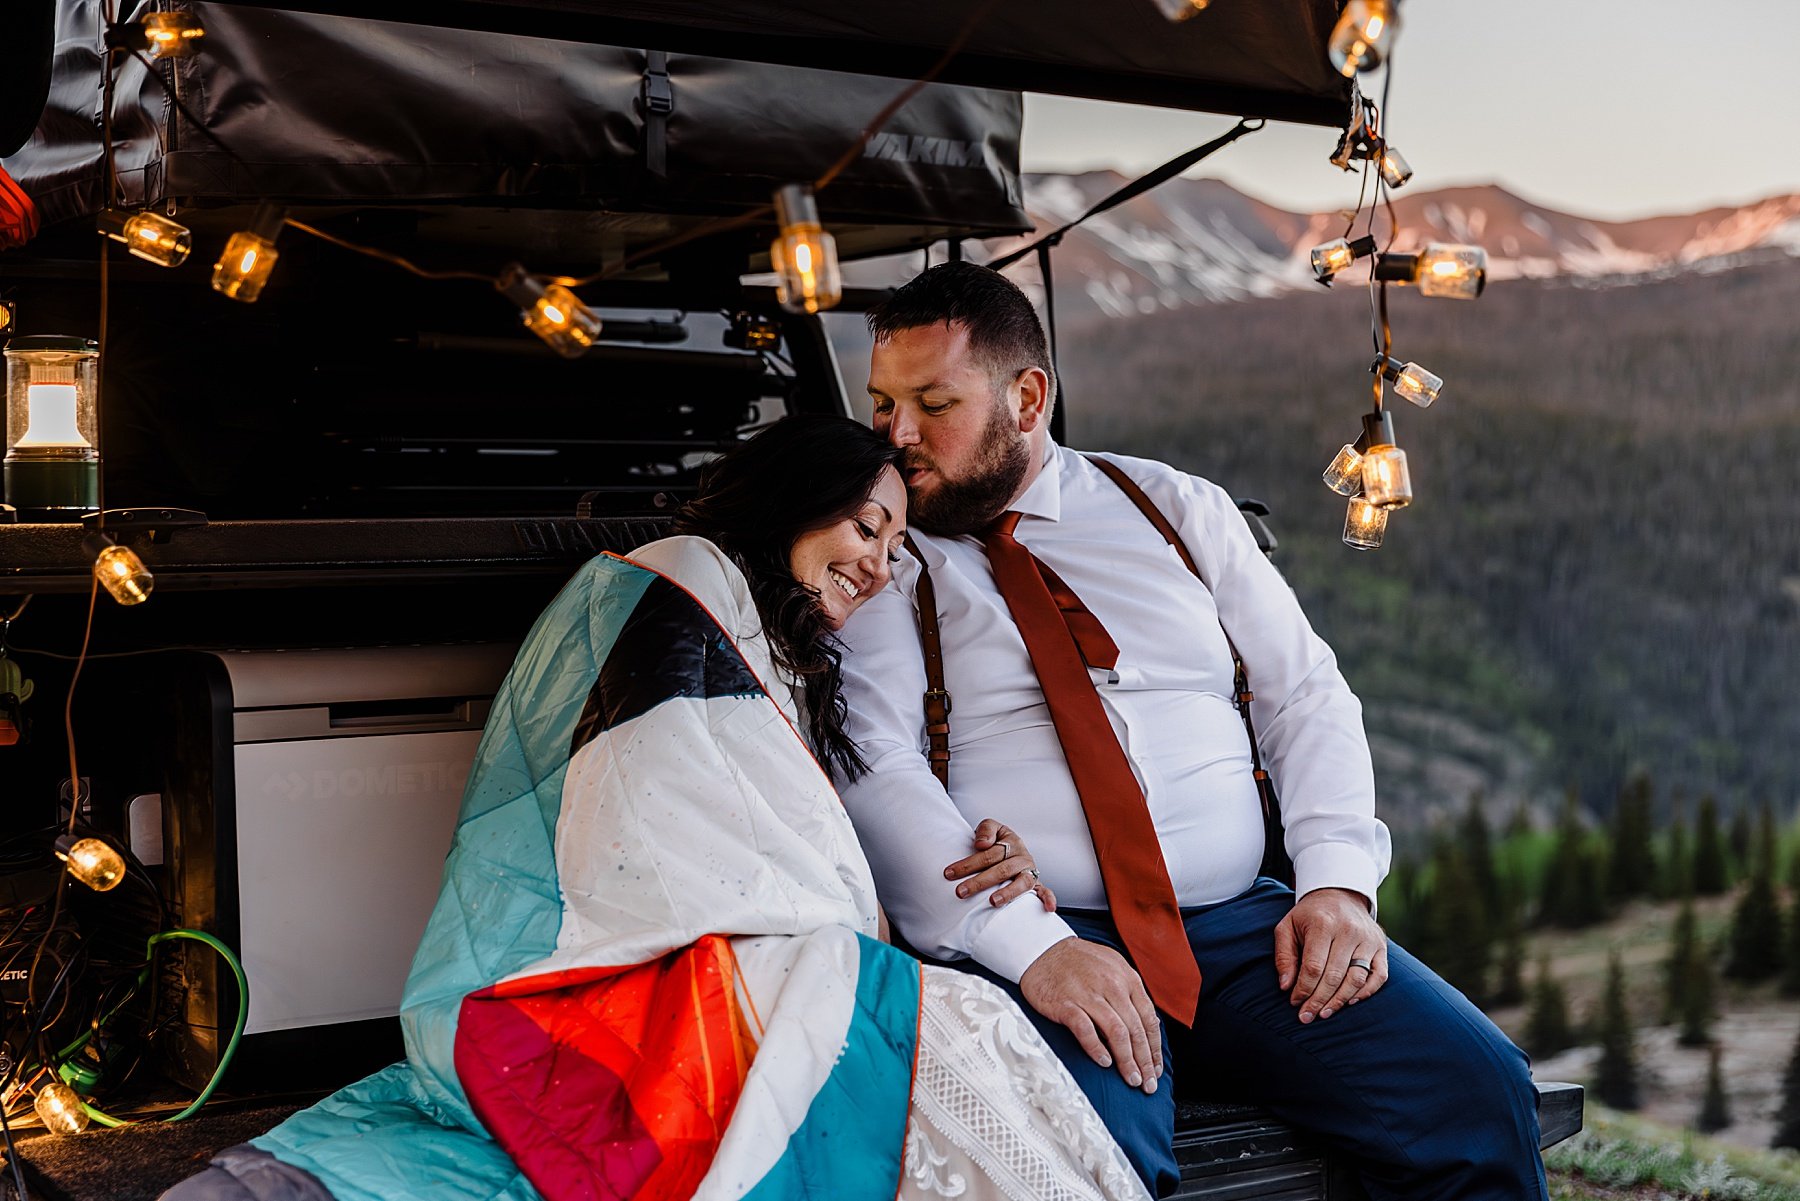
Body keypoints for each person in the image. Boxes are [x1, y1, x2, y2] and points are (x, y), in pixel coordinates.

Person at [163, 414, 1147, 1201]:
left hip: (726, 938)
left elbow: (806, 809)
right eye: (867, 526)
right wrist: (833, 922)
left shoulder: (785, 643)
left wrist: (986, 854)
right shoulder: (684, 575)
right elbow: (654, 793)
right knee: (920, 1016)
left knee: (936, 1016)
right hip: (614, 960)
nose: (880, 566)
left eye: (894, 545)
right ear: (799, 501)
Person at [836, 262, 1548, 1199]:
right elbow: (876, 768)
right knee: (1083, 1156)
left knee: (1476, 1092)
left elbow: (1306, 692)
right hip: (1039, 933)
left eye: (933, 403)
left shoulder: (1171, 509)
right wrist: (1030, 948)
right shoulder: (882, 555)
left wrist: (1336, 882)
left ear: (1029, 397)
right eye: (884, 403)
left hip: (1245, 931)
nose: (898, 435)